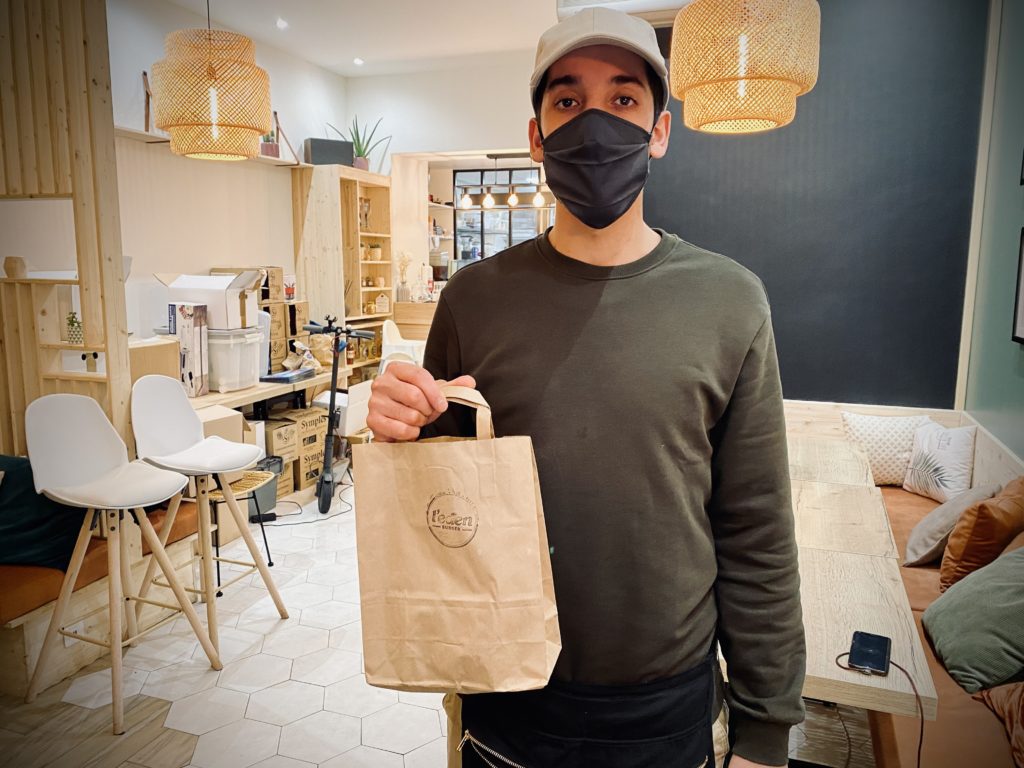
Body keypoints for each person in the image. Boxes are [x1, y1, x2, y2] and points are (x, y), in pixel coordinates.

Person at [366, 7, 805, 768]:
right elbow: (442, 497)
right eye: (568, 101)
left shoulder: (730, 300)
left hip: (665, 703)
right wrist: (400, 424)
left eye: (623, 99)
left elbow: (757, 527)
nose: (595, 123)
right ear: (536, 137)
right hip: (505, 690)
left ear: (659, 131)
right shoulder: (474, 298)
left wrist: (765, 733)